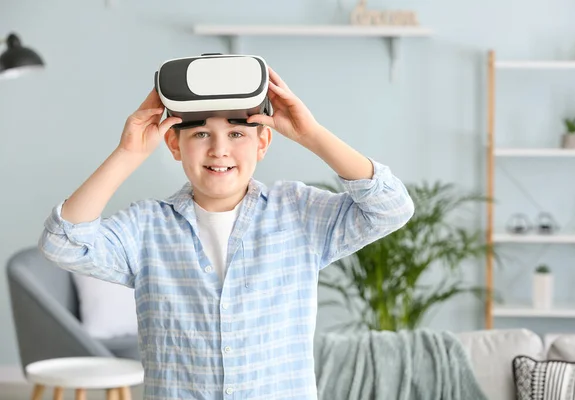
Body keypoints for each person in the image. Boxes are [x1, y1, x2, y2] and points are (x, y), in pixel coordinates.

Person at [38, 66, 415, 400]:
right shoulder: (147, 226)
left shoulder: (298, 212)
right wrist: (128, 153)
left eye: (236, 134)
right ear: (174, 144)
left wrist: (311, 134)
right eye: (201, 134)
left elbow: (391, 208)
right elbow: (63, 243)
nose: (219, 150)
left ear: (262, 142)